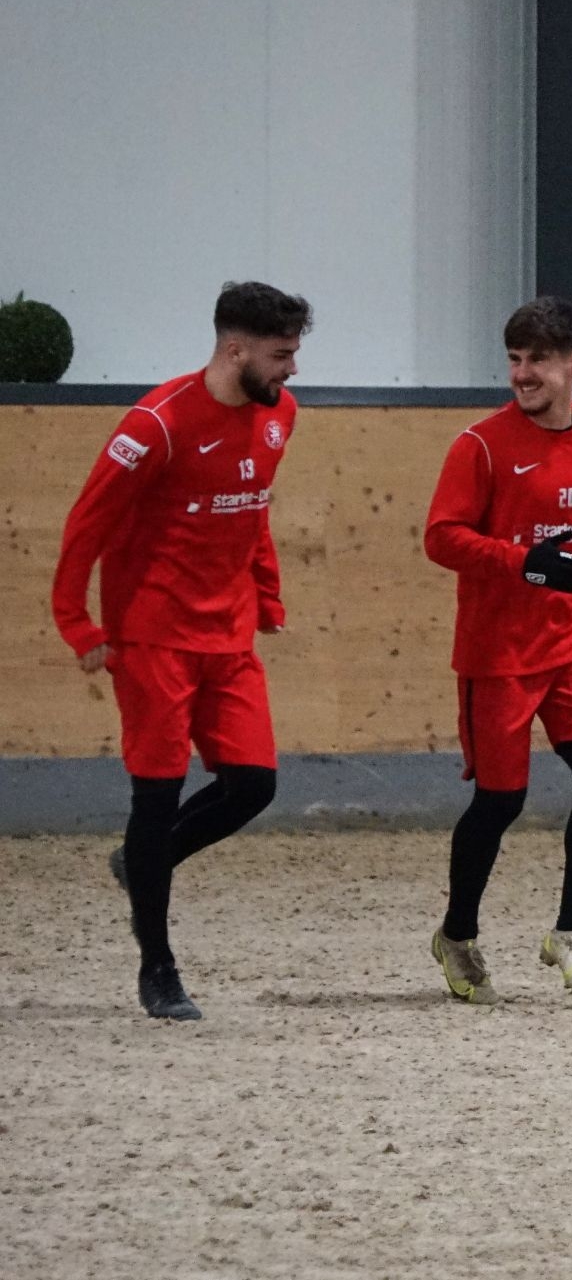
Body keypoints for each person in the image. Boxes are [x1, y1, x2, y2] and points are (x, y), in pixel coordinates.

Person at [51, 281, 310, 1020]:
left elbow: (252, 508)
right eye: (281, 355)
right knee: (157, 797)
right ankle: (158, 968)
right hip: (153, 639)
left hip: (228, 636)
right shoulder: (156, 425)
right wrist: (79, 625)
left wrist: (267, 593)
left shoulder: (280, 414)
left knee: (253, 784)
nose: (291, 369)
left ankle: (142, 861)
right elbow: (85, 527)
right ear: (236, 349)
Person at [424, 297, 572, 1005]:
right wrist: (523, 563)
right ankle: (457, 934)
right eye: (514, 359)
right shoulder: (479, 446)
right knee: (500, 801)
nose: (522, 373)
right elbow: (441, 537)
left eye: (537, 359)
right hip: (499, 652)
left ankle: (570, 932)